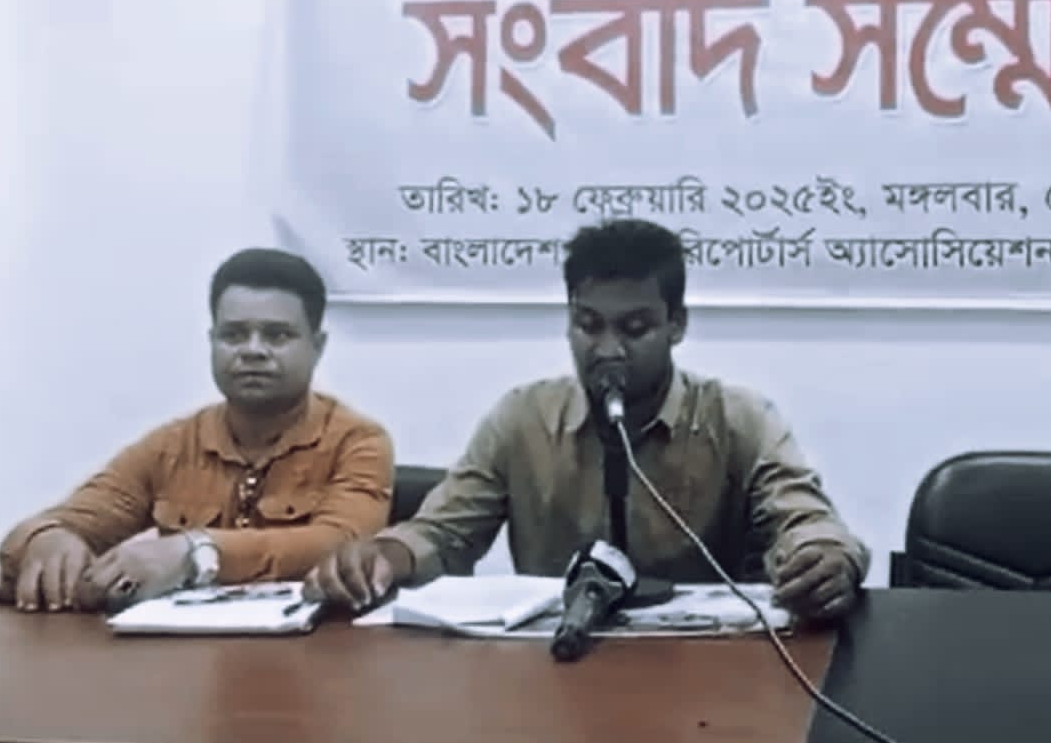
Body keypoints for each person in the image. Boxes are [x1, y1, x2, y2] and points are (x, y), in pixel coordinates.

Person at [306, 219, 868, 621]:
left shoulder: (735, 417)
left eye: (635, 328)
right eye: (589, 325)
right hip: (557, 663)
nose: (608, 349)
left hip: (703, 662)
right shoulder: (523, 418)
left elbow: (806, 518)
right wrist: (387, 556)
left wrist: (824, 558)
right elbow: (444, 533)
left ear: (677, 325)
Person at [0, 248, 395, 613]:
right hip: (184, 656)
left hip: (315, 651)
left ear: (317, 346)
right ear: (212, 341)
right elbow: (55, 525)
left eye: (277, 335)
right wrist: (48, 538)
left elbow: (340, 544)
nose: (253, 350)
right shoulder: (172, 445)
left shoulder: (357, 441)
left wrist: (197, 553)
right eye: (234, 335)